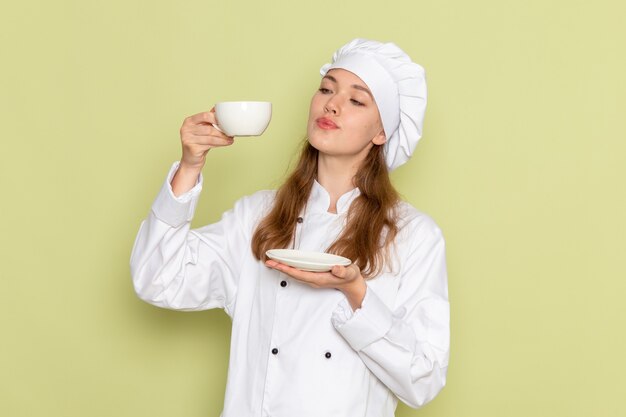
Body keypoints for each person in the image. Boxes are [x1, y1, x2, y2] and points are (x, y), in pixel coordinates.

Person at [130, 38, 449, 417]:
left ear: (382, 132)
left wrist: (356, 292)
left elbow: (423, 378)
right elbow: (156, 279)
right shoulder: (258, 216)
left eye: (356, 100)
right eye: (327, 89)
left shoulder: (413, 236)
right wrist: (190, 167)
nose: (331, 103)